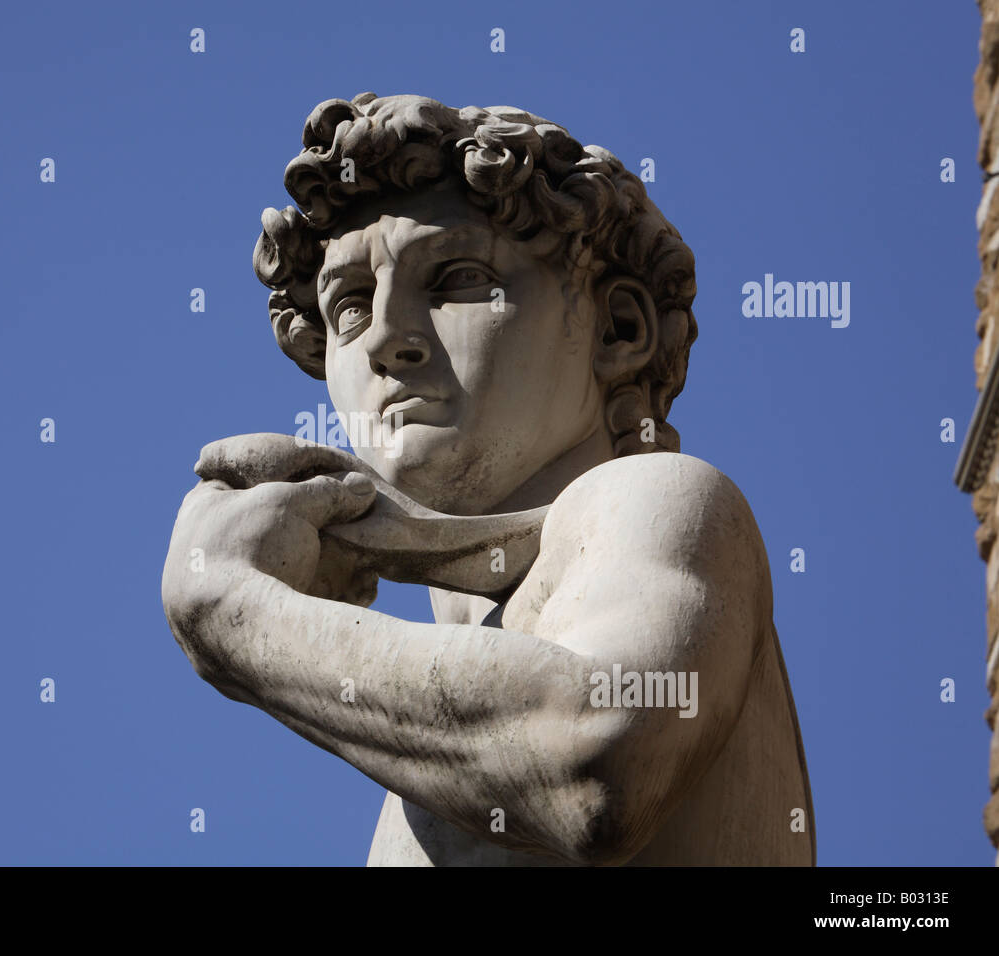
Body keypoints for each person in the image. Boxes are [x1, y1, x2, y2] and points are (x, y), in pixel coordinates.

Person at [162, 93, 814, 865]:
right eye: (349, 307)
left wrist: (238, 616)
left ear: (619, 331)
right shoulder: (424, 760)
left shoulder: (659, 498)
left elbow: (598, 758)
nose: (386, 340)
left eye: (456, 279)